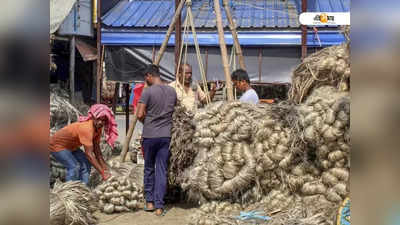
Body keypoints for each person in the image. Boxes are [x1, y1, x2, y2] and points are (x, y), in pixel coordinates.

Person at [136, 64, 177, 216]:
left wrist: (148, 122)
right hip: (165, 136)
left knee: (148, 168)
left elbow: (140, 114)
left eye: (145, 78)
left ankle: (150, 202)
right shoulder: (172, 91)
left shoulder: (148, 92)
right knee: (161, 170)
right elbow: (175, 111)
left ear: (148, 76)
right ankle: (160, 207)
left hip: (149, 136)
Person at [49, 104, 118, 185]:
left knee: (86, 164)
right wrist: (103, 173)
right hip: (57, 146)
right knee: (74, 166)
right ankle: (69, 190)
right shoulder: (87, 129)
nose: (100, 122)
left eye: (103, 120)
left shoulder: (98, 128)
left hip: (71, 146)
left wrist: (105, 167)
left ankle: (83, 187)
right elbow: (89, 155)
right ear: (93, 118)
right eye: (98, 119)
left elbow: (97, 151)